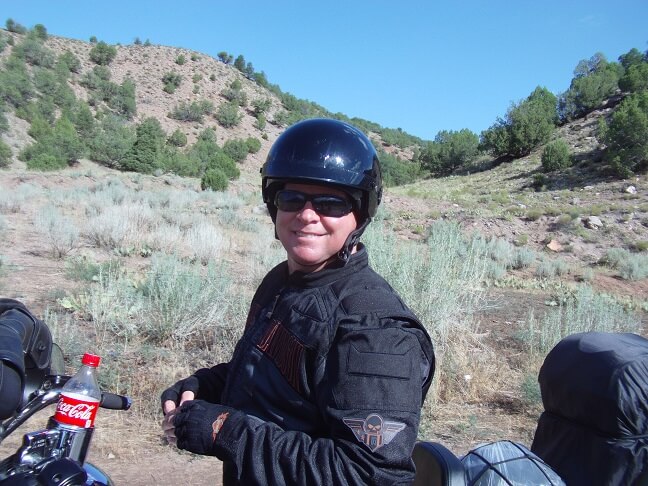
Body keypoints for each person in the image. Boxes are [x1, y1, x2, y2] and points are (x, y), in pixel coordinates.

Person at [161, 118, 435, 485]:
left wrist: (224, 431)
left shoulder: (374, 330)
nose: (306, 215)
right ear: (273, 205)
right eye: (291, 198)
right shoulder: (282, 282)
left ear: (360, 213)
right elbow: (281, 376)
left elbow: (371, 474)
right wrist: (208, 384)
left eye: (330, 203)